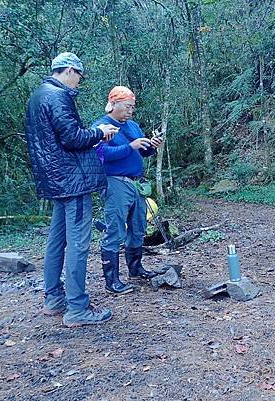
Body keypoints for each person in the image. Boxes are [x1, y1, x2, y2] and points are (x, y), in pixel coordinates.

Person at [24, 52, 120, 327]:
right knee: (78, 244)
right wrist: (101, 133)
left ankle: (54, 298)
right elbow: (73, 138)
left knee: (57, 240)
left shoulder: (37, 96)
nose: (79, 81)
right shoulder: (57, 96)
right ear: (69, 71)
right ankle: (77, 308)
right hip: (71, 179)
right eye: (79, 75)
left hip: (55, 179)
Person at [92, 86, 164, 294]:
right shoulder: (101, 126)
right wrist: (130, 146)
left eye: (132, 107)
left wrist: (151, 146)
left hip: (136, 183)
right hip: (115, 182)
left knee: (138, 225)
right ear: (114, 104)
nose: (131, 111)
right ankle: (112, 281)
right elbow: (101, 154)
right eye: (127, 107)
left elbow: (142, 151)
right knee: (115, 228)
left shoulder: (132, 126)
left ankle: (136, 268)